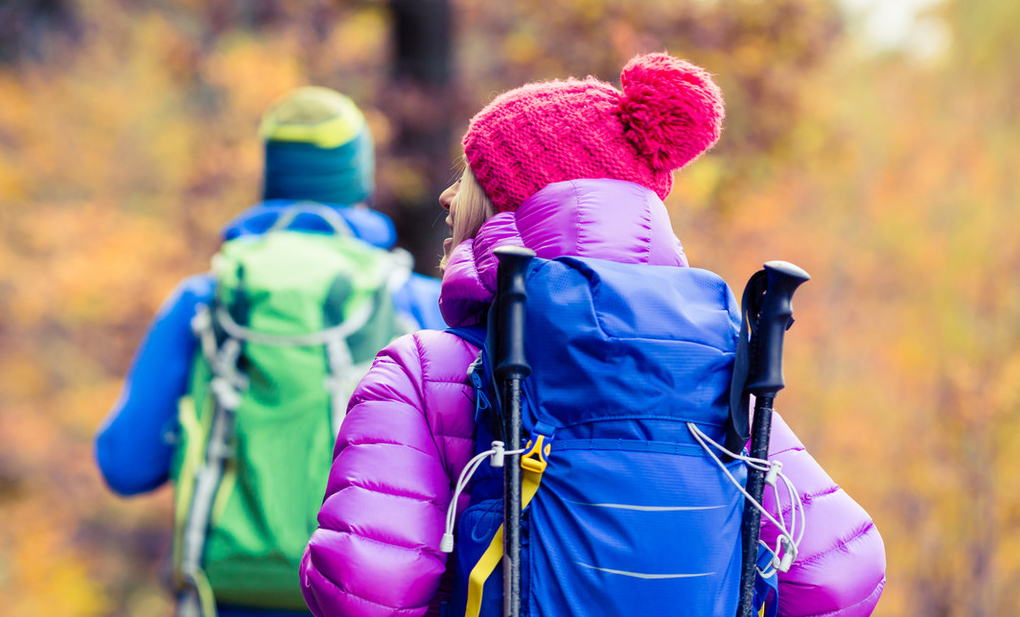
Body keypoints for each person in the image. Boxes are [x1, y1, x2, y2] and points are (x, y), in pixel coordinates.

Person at [299, 54, 886, 616]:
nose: (449, 197)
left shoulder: (428, 371)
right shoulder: (715, 366)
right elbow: (841, 574)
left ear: (510, 205)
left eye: (471, 175)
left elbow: (365, 582)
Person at [96, 86, 446, 617]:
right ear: (360, 181)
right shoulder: (413, 303)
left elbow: (125, 464)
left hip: (228, 596)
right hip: (371, 598)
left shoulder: (207, 300)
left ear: (271, 178)